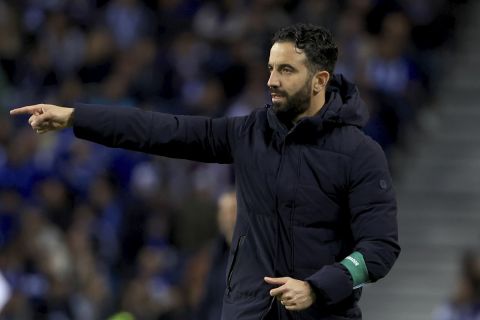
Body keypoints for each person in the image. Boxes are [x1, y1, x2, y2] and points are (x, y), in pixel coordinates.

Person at [10, 23, 400, 319]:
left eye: (285, 70)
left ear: (320, 81)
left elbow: (379, 249)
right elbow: (162, 131)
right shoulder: (249, 133)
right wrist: (78, 117)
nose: (271, 81)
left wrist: (317, 288)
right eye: (269, 68)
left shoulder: (360, 154)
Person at [195, 190, 238, 320]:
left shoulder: (256, 255)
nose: (226, 217)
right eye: (222, 211)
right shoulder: (214, 253)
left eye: (232, 211)